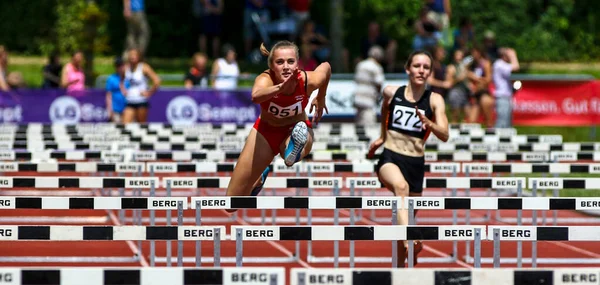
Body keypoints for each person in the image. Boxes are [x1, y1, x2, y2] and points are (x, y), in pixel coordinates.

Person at [225, 40, 331, 209]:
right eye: (279, 62)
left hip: (295, 127)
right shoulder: (265, 79)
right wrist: (280, 88)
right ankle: (259, 178)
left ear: (297, 63)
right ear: (271, 66)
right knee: (231, 204)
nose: (286, 67)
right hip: (265, 133)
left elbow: (325, 67)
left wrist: (321, 96)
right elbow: (256, 96)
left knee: (294, 145)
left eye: (291, 61)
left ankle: (294, 148)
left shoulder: (306, 80)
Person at [368, 50, 449, 267]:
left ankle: (403, 272)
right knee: (400, 188)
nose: (421, 70)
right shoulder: (391, 92)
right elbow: (385, 109)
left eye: (426, 67)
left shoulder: (434, 100)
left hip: (415, 164)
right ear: (407, 69)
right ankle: (411, 238)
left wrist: (429, 123)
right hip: (390, 158)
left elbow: (445, 134)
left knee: (402, 220)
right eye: (417, 66)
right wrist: (381, 137)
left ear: (430, 72)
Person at [122, 48, 161, 123]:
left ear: (139, 56)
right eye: (131, 55)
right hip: (130, 101)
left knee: (141, 125)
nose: (132, 57)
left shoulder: (144, 67)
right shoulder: (126, 68)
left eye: (134, 55)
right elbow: (121, 80)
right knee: (125, 124)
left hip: (141, 101)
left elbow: (157, 80)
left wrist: (149, 92)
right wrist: (123, 90)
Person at [492, 47, 519, 128]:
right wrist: (513, 55)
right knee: (502, 123)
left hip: (506, 97)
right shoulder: (499, 64)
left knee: (508, 124)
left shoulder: (502, 64)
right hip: (502, 97)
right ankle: (494, 140)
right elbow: (516, 67)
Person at [105, 57, 129, 123]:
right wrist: (110, 110)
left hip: (128, 109)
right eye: (118, 66)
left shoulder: (129, 78)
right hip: (115, 110)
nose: (120, 68)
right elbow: (108, 96)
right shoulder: (111, 78)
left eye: (121, 65)